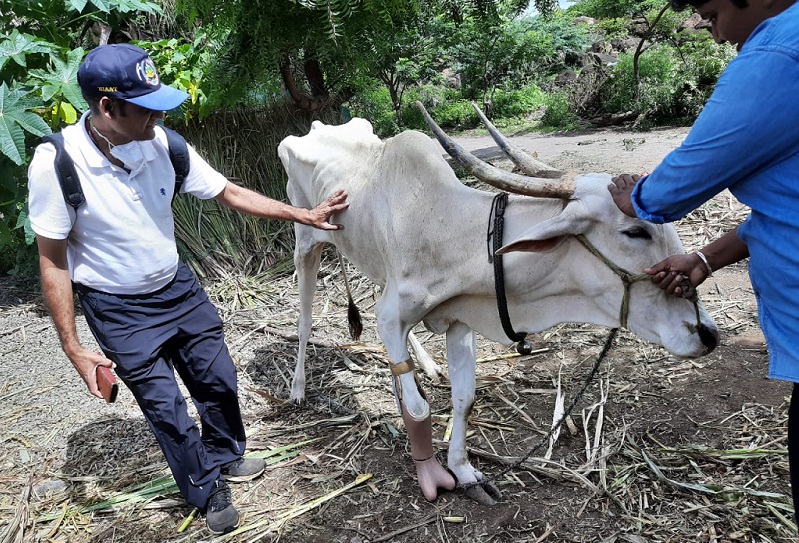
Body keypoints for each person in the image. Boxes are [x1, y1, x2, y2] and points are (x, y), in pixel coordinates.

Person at [27, 43, 349, 535]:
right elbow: (51, 258)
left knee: (218, 377)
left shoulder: (164, 145)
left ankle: (225, 454)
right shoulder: (58, 163)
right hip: (118, 308)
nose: (159, 114)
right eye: (145, 106)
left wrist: (302, 215)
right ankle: (203, 487)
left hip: (177, 288)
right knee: (166, 408)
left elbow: (228, 191)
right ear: (106, 108)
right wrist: (73, 346)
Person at [608, 0, 799, 524]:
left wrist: (637, 200)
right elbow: (786, 206)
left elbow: (679, 182)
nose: (713, 36)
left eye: (712, 14)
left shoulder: (780, 52)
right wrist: (707, 259)